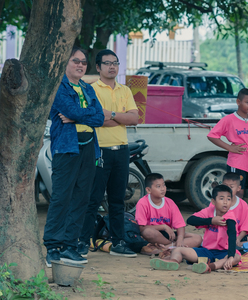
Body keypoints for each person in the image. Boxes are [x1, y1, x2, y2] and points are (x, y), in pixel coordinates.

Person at [43, 47, 105, 267]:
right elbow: (72, 110)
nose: (80, 65)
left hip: (89, 148)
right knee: (61, 197)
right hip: (67, 147)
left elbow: (100, 118)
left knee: (81, 198)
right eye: (75, 61)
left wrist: (77, 117)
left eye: (83, 62)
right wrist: (81, 115)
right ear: (65, 63)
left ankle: (70, 246)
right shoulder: (58, 87)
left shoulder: (87, 89)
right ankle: (52, 247)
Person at [78, 49, 139, 258]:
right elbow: (95, 120)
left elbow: (134, 119)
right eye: (107, 63)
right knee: (92, 199)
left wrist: (112, 115)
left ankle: (119, 242)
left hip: (122, 150)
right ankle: (82, 242)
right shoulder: (91, 89)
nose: (112, 66)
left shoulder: (125, 90)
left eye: (115, 63)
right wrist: (121, 117)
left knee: (117, 200)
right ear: (98, 67)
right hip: (99, 150)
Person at [207, 88, 248, 237]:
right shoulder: (229, 119)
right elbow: (212, 135)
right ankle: (235, 228)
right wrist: (229, 147)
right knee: (237, 196)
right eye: (247, 102)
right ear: (238, 102)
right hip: (237, 164)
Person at [149, 185, 241, 273]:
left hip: (224, 253)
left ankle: (209, 267)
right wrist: (211, 221)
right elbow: (191, 220)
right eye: (221, 199)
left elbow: (232, 235)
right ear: (213, 201)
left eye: (228, 199)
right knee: (178, 250)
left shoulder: (230, 217)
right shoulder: (208, 211)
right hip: (206, 251)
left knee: (236, 257)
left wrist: (231, 256)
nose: (225, 202)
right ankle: (174, 262)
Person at [135, 173, 202, 250]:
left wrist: (180, 239)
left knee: (197, 238)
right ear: (148, 190)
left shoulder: (170, 202)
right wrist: (163, 227)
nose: (163, 189)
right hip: (154, 236)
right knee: (148, 232)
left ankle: (166, 248)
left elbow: (180, 225)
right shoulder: (142, 203)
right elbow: (142, 229)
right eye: (158, 186)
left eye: (164, 185)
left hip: (169, 236)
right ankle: (172, 247)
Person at [217, 172, 248, 252]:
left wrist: (238, 239)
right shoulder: (216, 201)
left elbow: (245, 228)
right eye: (225, 186)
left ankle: (235, 246)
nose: (228, 189)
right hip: (220, 236)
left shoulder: (243, 205)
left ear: (238, 188)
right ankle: (233, 247)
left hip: (238, 237)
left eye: (231, 187)